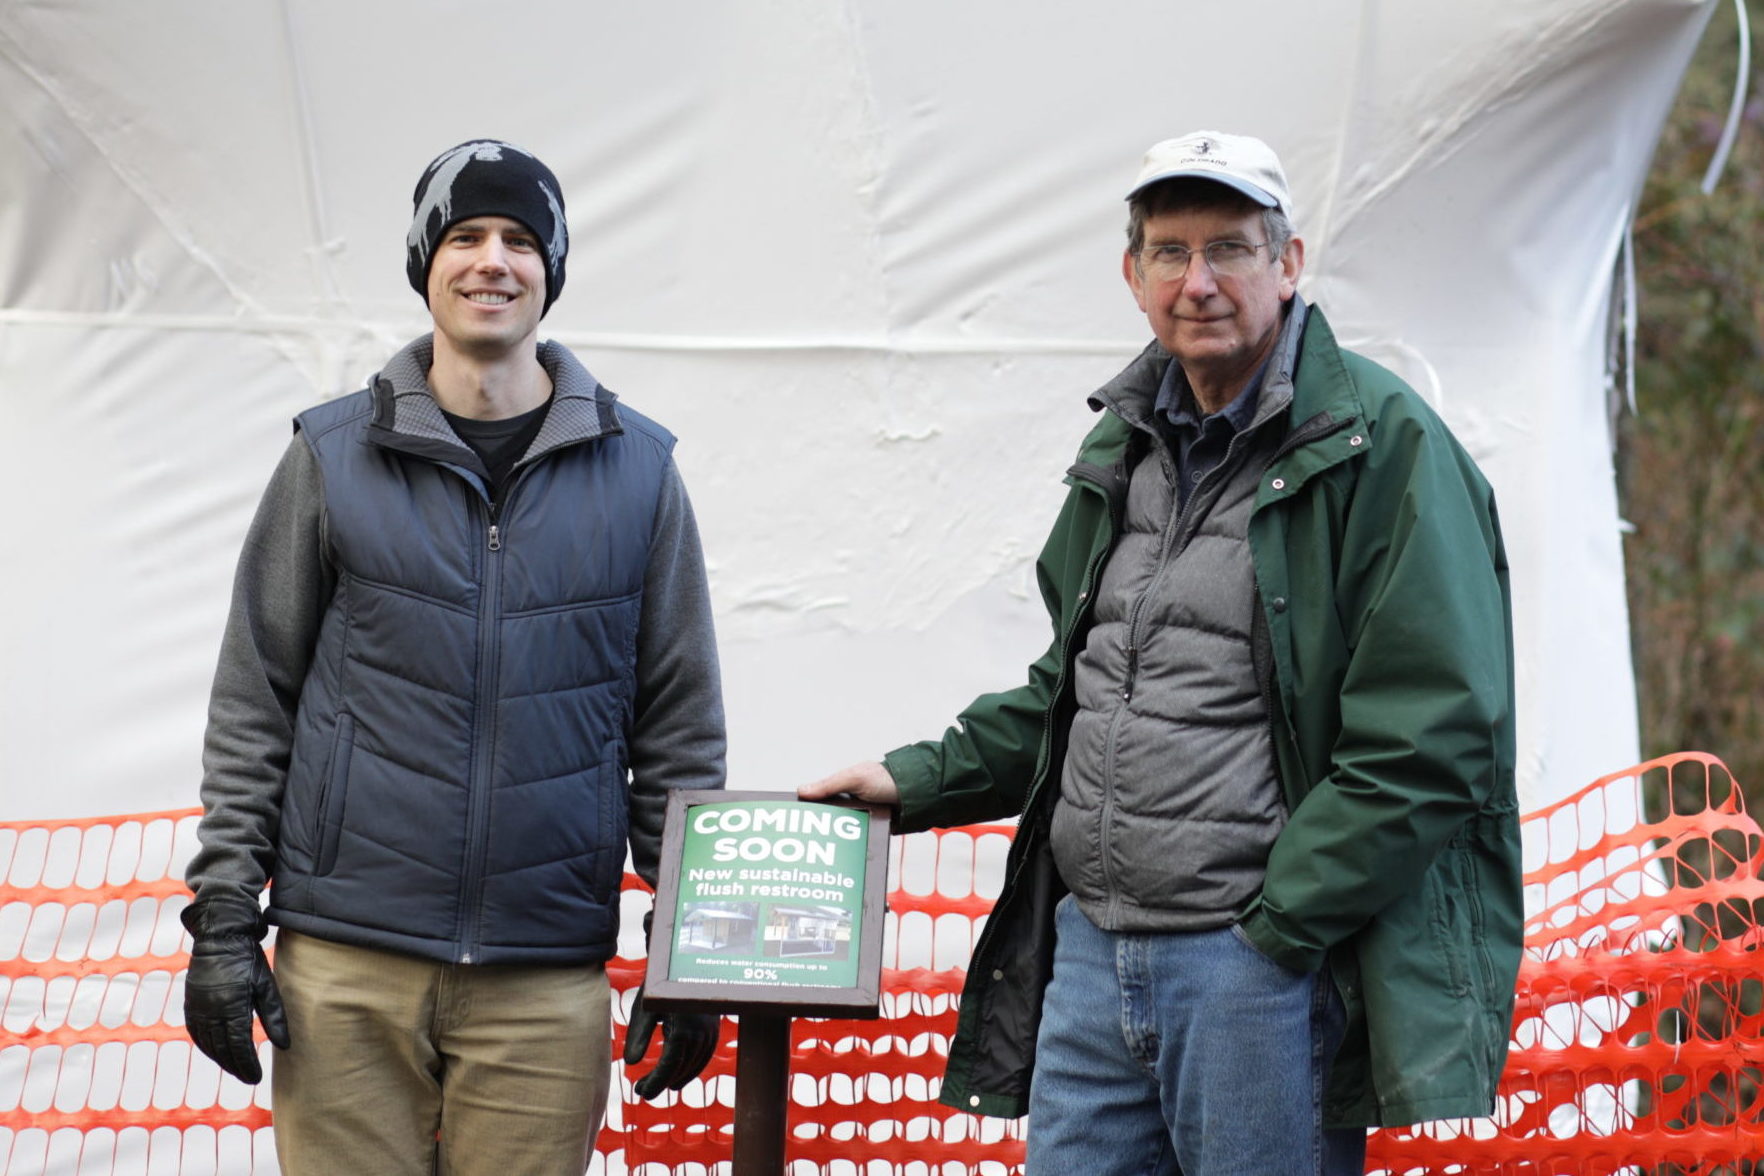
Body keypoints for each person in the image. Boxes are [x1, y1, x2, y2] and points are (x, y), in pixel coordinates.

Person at [801, 130, 1521, 1175]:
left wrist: (1276, 927)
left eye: (1229, 248)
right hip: (1088, 953)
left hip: (1254, 970)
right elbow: (1074, 689)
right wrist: (910, 782)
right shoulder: (1123, 445)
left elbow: (1434, 738)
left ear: (1289, 263)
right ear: (1132, 275)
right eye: (1170, 252)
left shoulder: (1386, 446)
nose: (1199, 282)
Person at [181, 139, 726, 1175]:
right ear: (425, 262)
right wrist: (220, 918)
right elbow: (255, 698)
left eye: (522, 240)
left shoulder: (641, 477)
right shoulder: (331, 459)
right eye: (466, 235)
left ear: (551, 273)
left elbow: (677, 725)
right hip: (345, 971)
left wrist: (685, 949)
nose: (494, 261)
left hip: (543, 980)